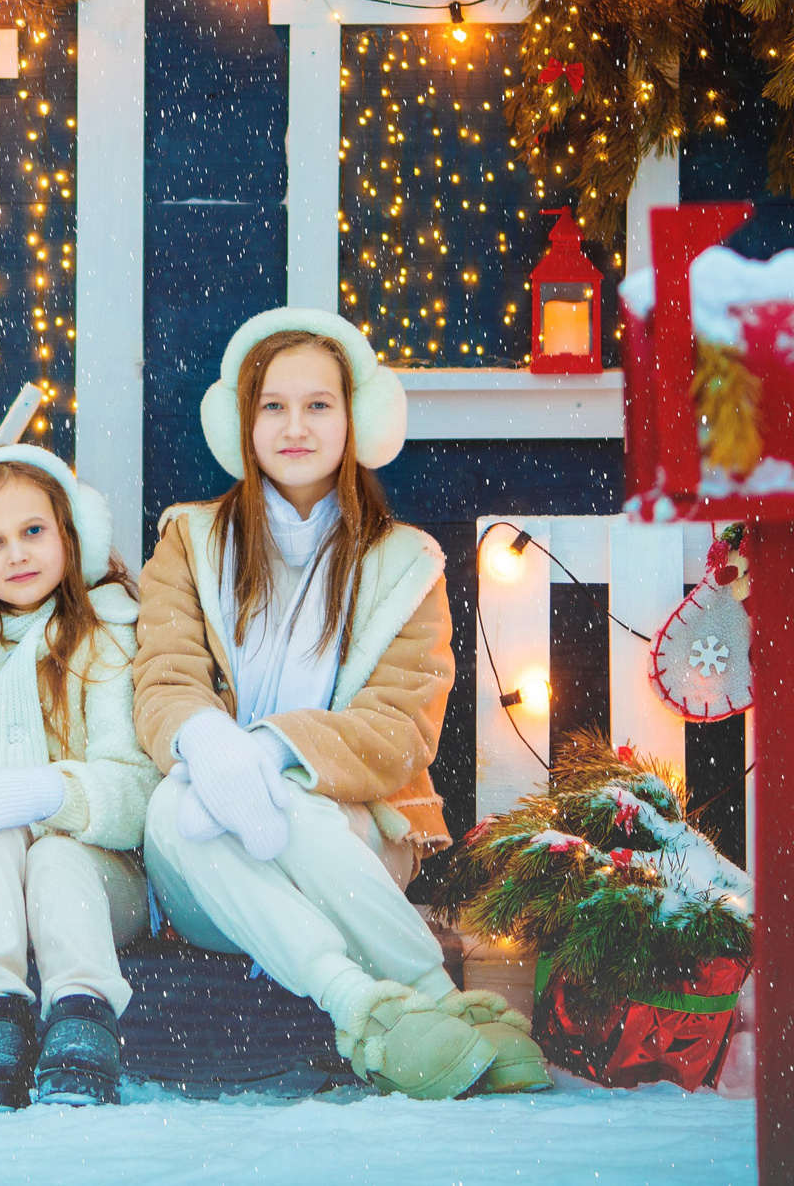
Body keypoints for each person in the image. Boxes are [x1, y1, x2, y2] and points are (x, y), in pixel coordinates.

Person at [133, 308, 551, 1100]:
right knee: (173, 808)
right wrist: (212, 745)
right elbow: (163, 677)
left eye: (319, 404)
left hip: (353, 835)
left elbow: (400, 727)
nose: (296, 425)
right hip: (206, 867)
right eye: (273, 406)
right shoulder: (189, 541)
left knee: (283, 801)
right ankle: (414, 997)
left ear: (357, 417)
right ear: (245, 422)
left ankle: (388, 1007)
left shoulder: (405, 561)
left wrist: (271, 753)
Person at [0, 445, 156, 1110]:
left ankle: (80, 1013)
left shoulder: (110, 638)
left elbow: (136, 789)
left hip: (104, 875)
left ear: (70, 536)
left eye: (33, 531)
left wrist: (49, 796)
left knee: (58, 858)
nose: (16, 553)